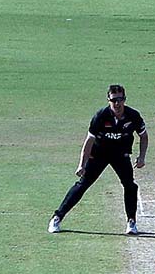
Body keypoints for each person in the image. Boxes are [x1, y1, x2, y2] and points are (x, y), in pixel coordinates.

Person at [48, 84, 148, 235]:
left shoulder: (133, 115)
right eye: (114, 100)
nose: (117, 103)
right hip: (99, 154)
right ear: (109, 100)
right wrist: (81, 165)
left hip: (120, 154)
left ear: (124, 100)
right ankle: (57, 217)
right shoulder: (101, 116)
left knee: (130, 185)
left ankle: (131, 222)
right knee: (82, 184)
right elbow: (89, 141)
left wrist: (142, 157)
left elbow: (144, 136)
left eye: (120, 100)